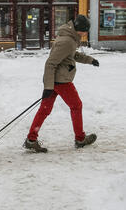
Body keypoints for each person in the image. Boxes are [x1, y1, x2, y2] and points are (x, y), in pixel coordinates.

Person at [24, 15, 100, 153]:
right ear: (80, 30)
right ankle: (80, 139)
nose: (86, 34)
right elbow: (50, 63)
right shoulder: (67, 41)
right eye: (85, 31)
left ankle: (31, 139)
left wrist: (90, 60)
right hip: (61, 81)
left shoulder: (68, 38)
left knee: (44, 110)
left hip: (55, 80)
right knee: (76, 106)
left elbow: (71, 55)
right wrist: (48, 87)